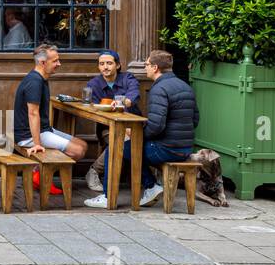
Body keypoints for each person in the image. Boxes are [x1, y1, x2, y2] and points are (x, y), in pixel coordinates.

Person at [87, 49, 199, 209]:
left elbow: (156, 126)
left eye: (146, 65)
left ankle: (108, 197)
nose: (145, 68)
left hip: (166, 148)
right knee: (130, 147)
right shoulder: (185, 86)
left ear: (155, 67)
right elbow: (195, 120)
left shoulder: (159, 89)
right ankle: (150, 186)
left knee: (115, 149)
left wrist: (137, 136)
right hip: (185, 148)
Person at [14, 43, 88, 195]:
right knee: (77, 151)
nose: (59, 64)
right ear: (42, 62)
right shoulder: (34, 82)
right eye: (55, 61)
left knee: (82, 145)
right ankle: (40, 175)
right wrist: (36, 144)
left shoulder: (41, 79)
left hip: (44, 130)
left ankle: (39, 174)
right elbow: (33, 114)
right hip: (29, 136)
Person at [82, 49, 142, 191]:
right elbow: (93, 109)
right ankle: (94, 171)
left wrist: (126, 102)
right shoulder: (93, 84)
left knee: (139, 141)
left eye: (109, 63)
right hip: (107, 127)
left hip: (133, 125)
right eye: (102, 64)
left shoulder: (128, 78)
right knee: (122, 141)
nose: (105, 67)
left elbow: (134, 94)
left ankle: (145, 180)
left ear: (118, 65)